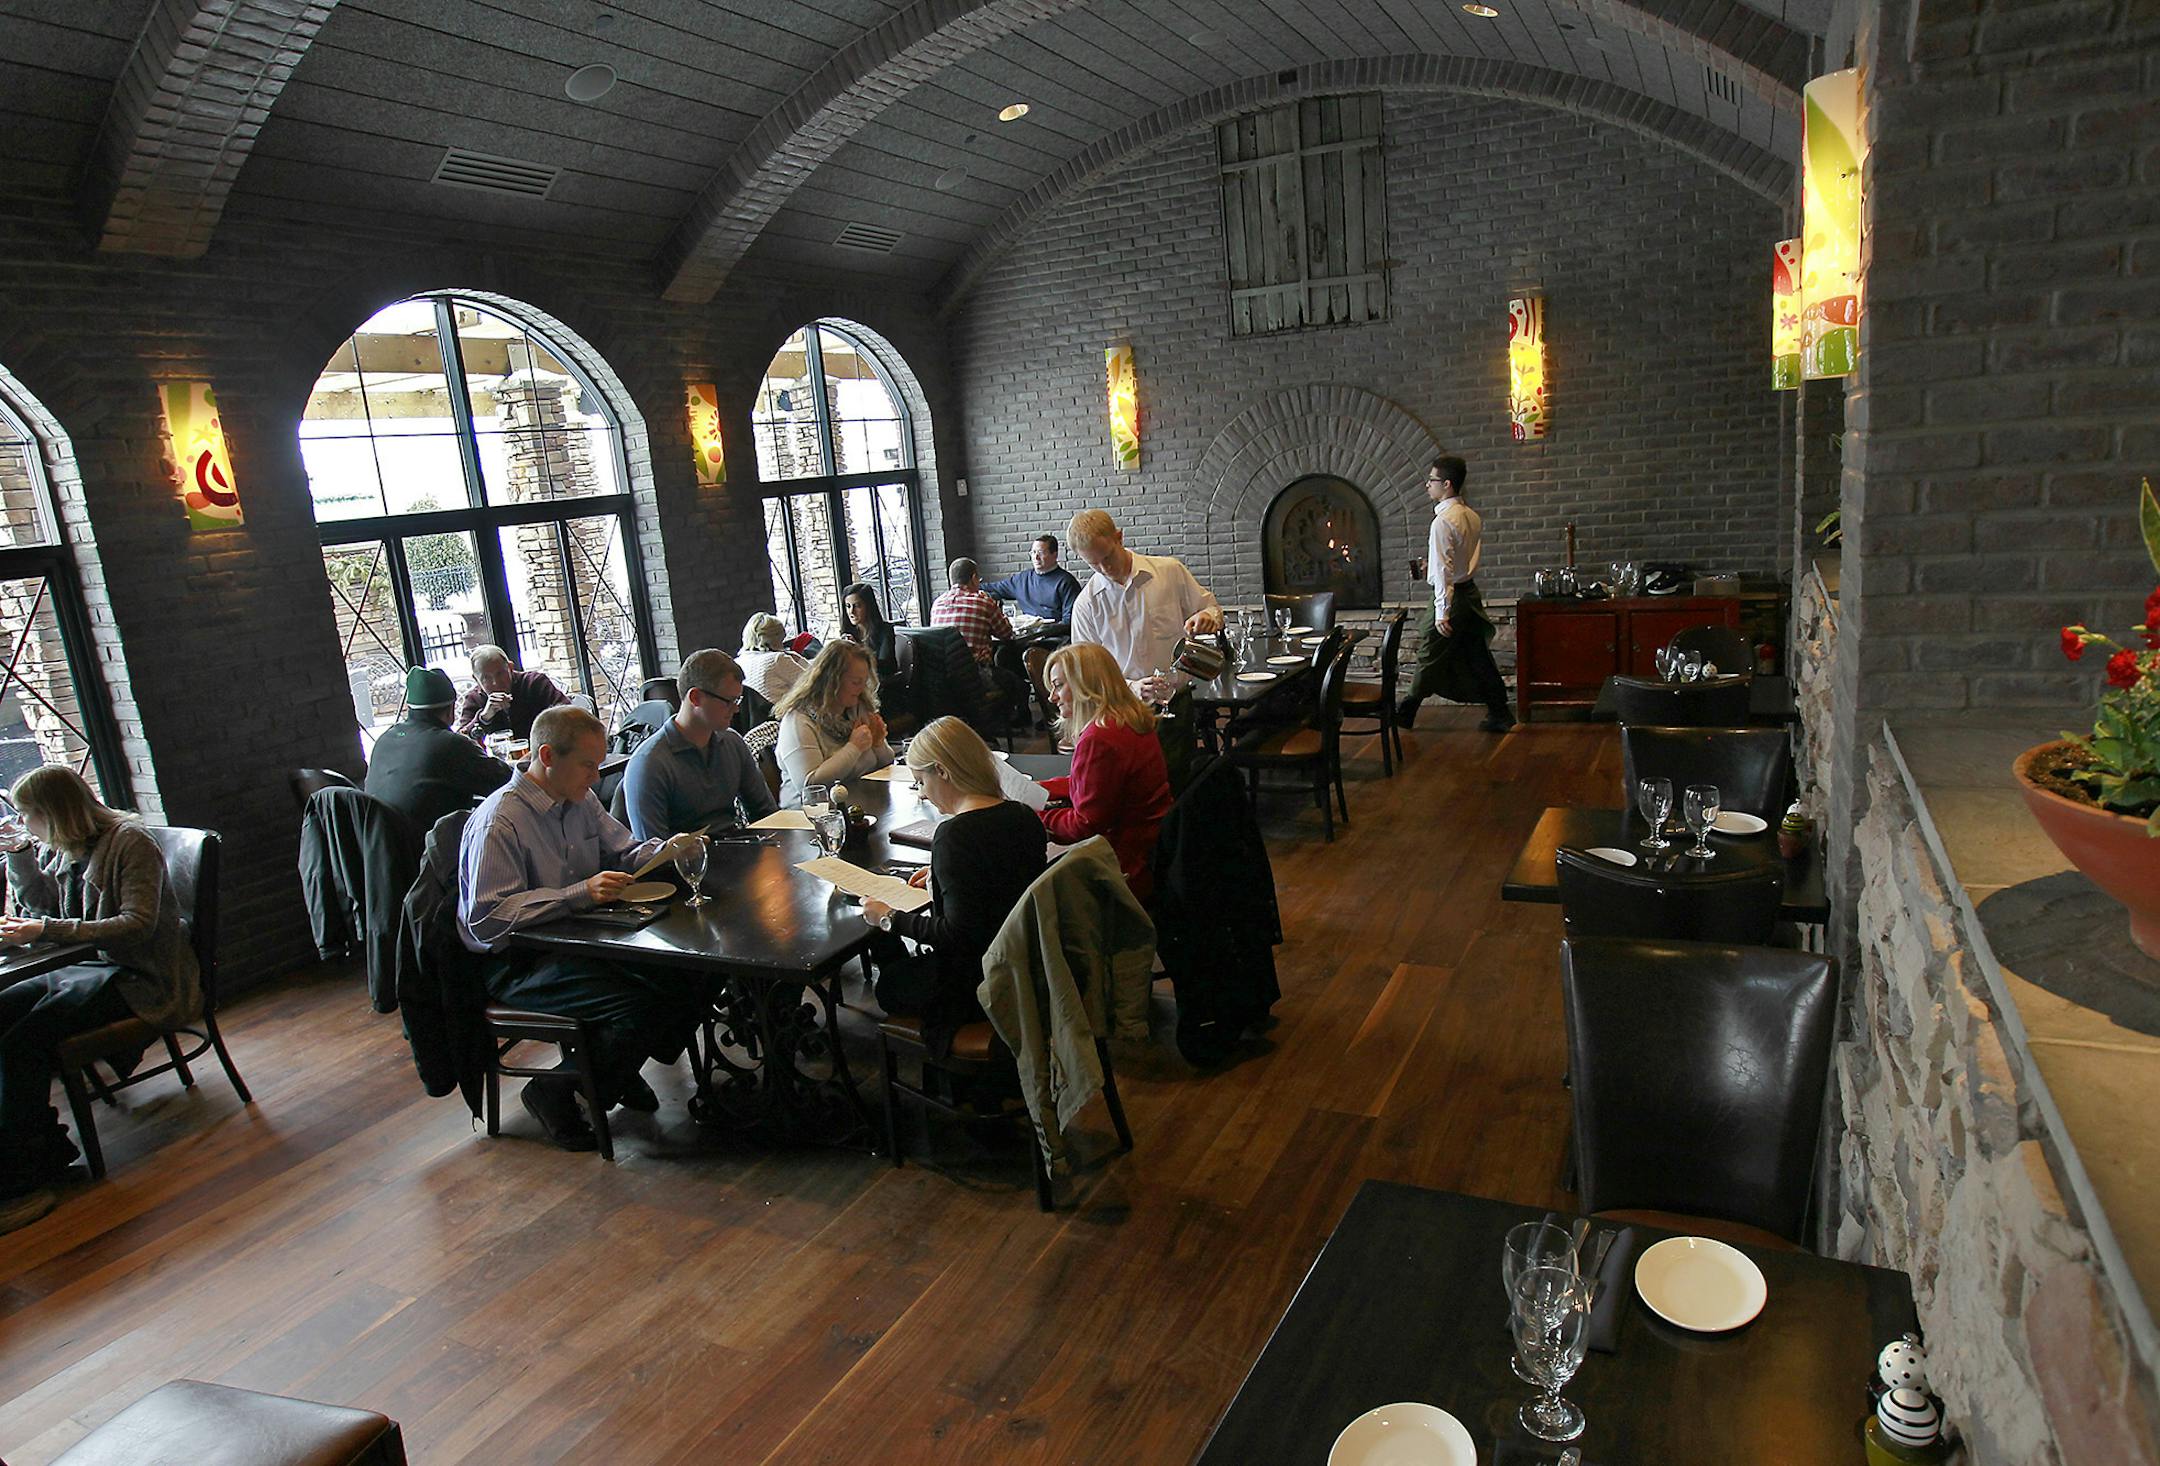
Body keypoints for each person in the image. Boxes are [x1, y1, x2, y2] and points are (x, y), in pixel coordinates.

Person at [457, 705, 703, 1148]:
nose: (596, 777)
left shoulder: (580, 800)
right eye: (588, 765)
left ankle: (613, 1070)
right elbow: (486, 920)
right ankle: (555, 1092)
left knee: (685, 973)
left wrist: (667, 852)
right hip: (516, 962)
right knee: (636, 1008)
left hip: (578, 940)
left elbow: (623, 851)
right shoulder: (501, 821)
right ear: (547, 756)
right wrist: (578, 893)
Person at [0, 768, 201, 1227]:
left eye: (29, 815)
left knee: (20, 1044)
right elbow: (44, 909)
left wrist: (46, 929)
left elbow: (138, 924)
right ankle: (44, 1154)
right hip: (89, 970)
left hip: (141, 978)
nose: (25, 823)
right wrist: (21, 858)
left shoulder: (129, 843)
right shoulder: (67, 847)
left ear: (56, 812)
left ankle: (21, 1184)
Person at [862, 717, 1046, 1056]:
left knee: (887, 984)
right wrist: (942, 879)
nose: (923, 794)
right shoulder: (1023, 816)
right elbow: (1001, 882)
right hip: (1026, 967)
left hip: (976, 984)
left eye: (921, 782)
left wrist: (889, 918)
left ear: (942, 771)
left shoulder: (953, 836)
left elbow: (957, 934)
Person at [1039, 642, 1173, 903]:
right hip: (1152, 846)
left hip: (1124, 866)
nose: (1052, 697)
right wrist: (1039, 790)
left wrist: (1034, 818)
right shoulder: (1127, 719)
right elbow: (1097, 785)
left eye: (1058, 685)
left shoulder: (1098, 739)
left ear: (1085, 686)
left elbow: (1084, 825)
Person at [1396, 455, 1515, 733]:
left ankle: (1406, 711)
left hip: (1454, 600)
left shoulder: (1442, 522)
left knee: (1429, 649)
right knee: (1477, 654)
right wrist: (1433, 566)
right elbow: (1455, 563)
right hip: (1468, 594)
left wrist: (1441, 612)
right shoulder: (1470, 516)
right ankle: (1500, 712)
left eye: (1432, 480)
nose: (1427, 485)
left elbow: (1445, 573)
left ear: (1447, 484)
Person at [1066, 507, 1223, 701]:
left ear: (1119, 537)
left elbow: (1212, 609)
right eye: (1093, 563)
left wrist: (1207, 616)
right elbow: (1088, 672)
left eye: (1107, 556)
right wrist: (1131, 688)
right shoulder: (1086, 605)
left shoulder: (1169, 571)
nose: (1104, 568)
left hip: (1178, 698)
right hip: (1124, 705)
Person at [621, 649, 779, 839]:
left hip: (737, 851)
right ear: (695, 698)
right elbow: (652, 854)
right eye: (728, 701)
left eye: (738, 699)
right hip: (687, 865)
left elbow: (767, 815)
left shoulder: (732, 742)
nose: (736, 709)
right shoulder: (650, 764)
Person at [365, 666, 511, 838]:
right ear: (451, 710)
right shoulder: (450, 745)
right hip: (430, 854)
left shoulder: (385, 739)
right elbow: (507, 783)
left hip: (384, 850)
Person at [773, 639, 896, 807]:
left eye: (864, 681)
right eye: (855, 682)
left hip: (859, 804)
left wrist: (879, 742)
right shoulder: (798, 721)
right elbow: (810, 785)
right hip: (809, 817)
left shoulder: (856, 707)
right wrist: (854, 747)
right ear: (831, 681)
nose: (861, 689)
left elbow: (886, 763)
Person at [453, 645, 569, 740]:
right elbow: (461, 741)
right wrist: (484, 717)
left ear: (510, 667)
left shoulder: (534, 683)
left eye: (500, 674)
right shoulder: (474, 699)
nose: (495, 683)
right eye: (486, 678)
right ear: (476, 679)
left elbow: (567, 712)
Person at [929, 557, 1014, 669]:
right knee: (1019, 684)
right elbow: (1006, 634)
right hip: (976, 675)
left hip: (944, 677)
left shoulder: (937, 603)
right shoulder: (983, 601)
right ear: (974, 578)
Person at [984, 534, 1081, 629]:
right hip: (1027, 634)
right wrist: (971, 584)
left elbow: (1070, 620)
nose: (1036, 557)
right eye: (1033, 552)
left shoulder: (1066, 582)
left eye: (1041, 552)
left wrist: (1047, 630)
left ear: (1054, 555)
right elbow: (994, 588)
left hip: (1054, 636)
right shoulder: (1022, 579)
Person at [736, 613, 811, 709]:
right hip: (780, 718)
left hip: (755, 720)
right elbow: (814, 684)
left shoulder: (738, 662)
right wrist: (800, 660)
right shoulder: (777, 659)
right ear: (775, 639)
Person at [841, 582, 902, 684]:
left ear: (868, 606)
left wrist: (857, 650)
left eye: (857, 606)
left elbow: (885, 667)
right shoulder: (849, 633)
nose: (851, 612)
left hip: (881, 686)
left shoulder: (885, 630)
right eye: (848, 606)